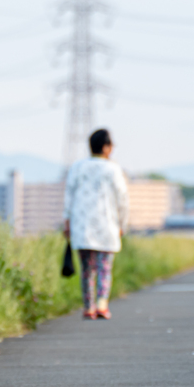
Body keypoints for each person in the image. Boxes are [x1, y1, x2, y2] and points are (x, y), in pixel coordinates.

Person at [63, 128, 129, 320]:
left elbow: (69, 195)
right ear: (106, 147)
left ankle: (88, 306)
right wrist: (123, 223)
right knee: (104, 268)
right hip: (107, 225)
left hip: (81, 225)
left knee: (87, 269)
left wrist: (67, 221)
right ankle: (102, 304)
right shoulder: (113, 168)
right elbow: (123, 199)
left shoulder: (77, 167)